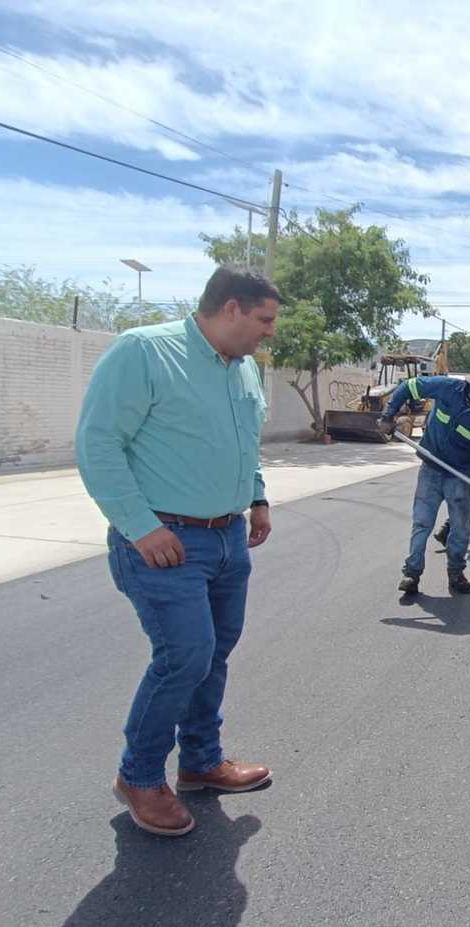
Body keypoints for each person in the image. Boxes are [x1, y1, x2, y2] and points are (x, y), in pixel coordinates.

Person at [75, 265, 279, 838]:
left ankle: (200, 761)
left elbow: (245, 443)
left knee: (214, 653)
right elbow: (97, 443)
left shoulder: (243, 372)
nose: (269, 332)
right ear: (232, 307)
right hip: (164, 540)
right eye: (264, 320)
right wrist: (139, 527)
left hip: (227, 537)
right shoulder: (144, 351)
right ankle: (138, 776)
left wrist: (257, 498)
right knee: (185, 656)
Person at [384, 361, 470, 594]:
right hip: (431, 469)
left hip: (461, 476)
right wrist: (388, 414)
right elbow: (408, 386)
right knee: (422, 523)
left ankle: (456, 573)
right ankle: (412, 574)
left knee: (460, 528)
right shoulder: (447, 388)